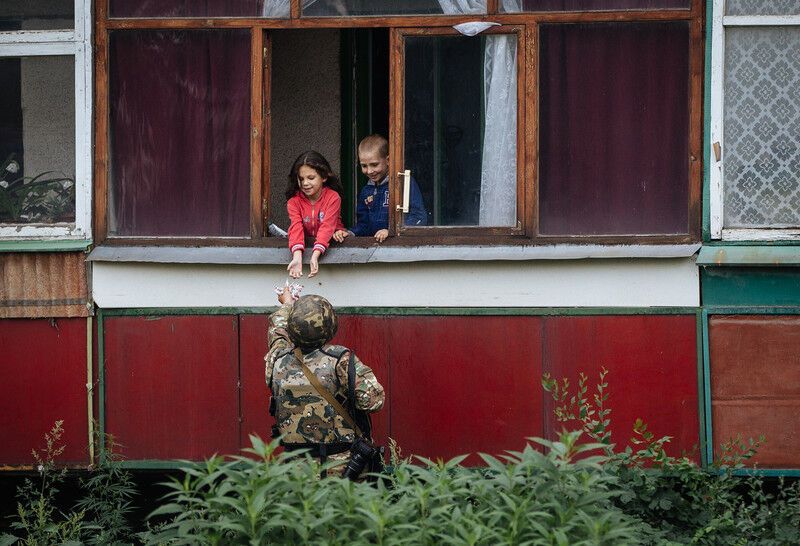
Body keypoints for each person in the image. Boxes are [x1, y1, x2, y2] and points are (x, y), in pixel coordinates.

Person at [264, 287, 385, 478]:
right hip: (342, 468)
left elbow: (277, 334)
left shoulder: (277, 358)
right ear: (330, 325)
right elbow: (372, 401)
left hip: (295, 468)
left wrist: (287, 305)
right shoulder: (340, 360)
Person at [333, 134, 427, 244]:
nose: (369, 171)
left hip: (402, 246)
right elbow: (364, 225)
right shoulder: (366, 191)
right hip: (376, 249)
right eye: (364, 166)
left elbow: (419, 217)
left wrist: (392, 231)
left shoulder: (403, 183)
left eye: (374, 164)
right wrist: (350, 233)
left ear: (388, 160)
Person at [285, 151, 346, 278]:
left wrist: (316, 254)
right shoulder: (293, 202)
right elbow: (296, 227)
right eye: (301, 179)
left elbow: (327, 226)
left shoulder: (333, 198)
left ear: (324, 177)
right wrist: (297, 256)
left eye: (311, 178)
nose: (305, 183)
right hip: (306, 245)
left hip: (326, 246)